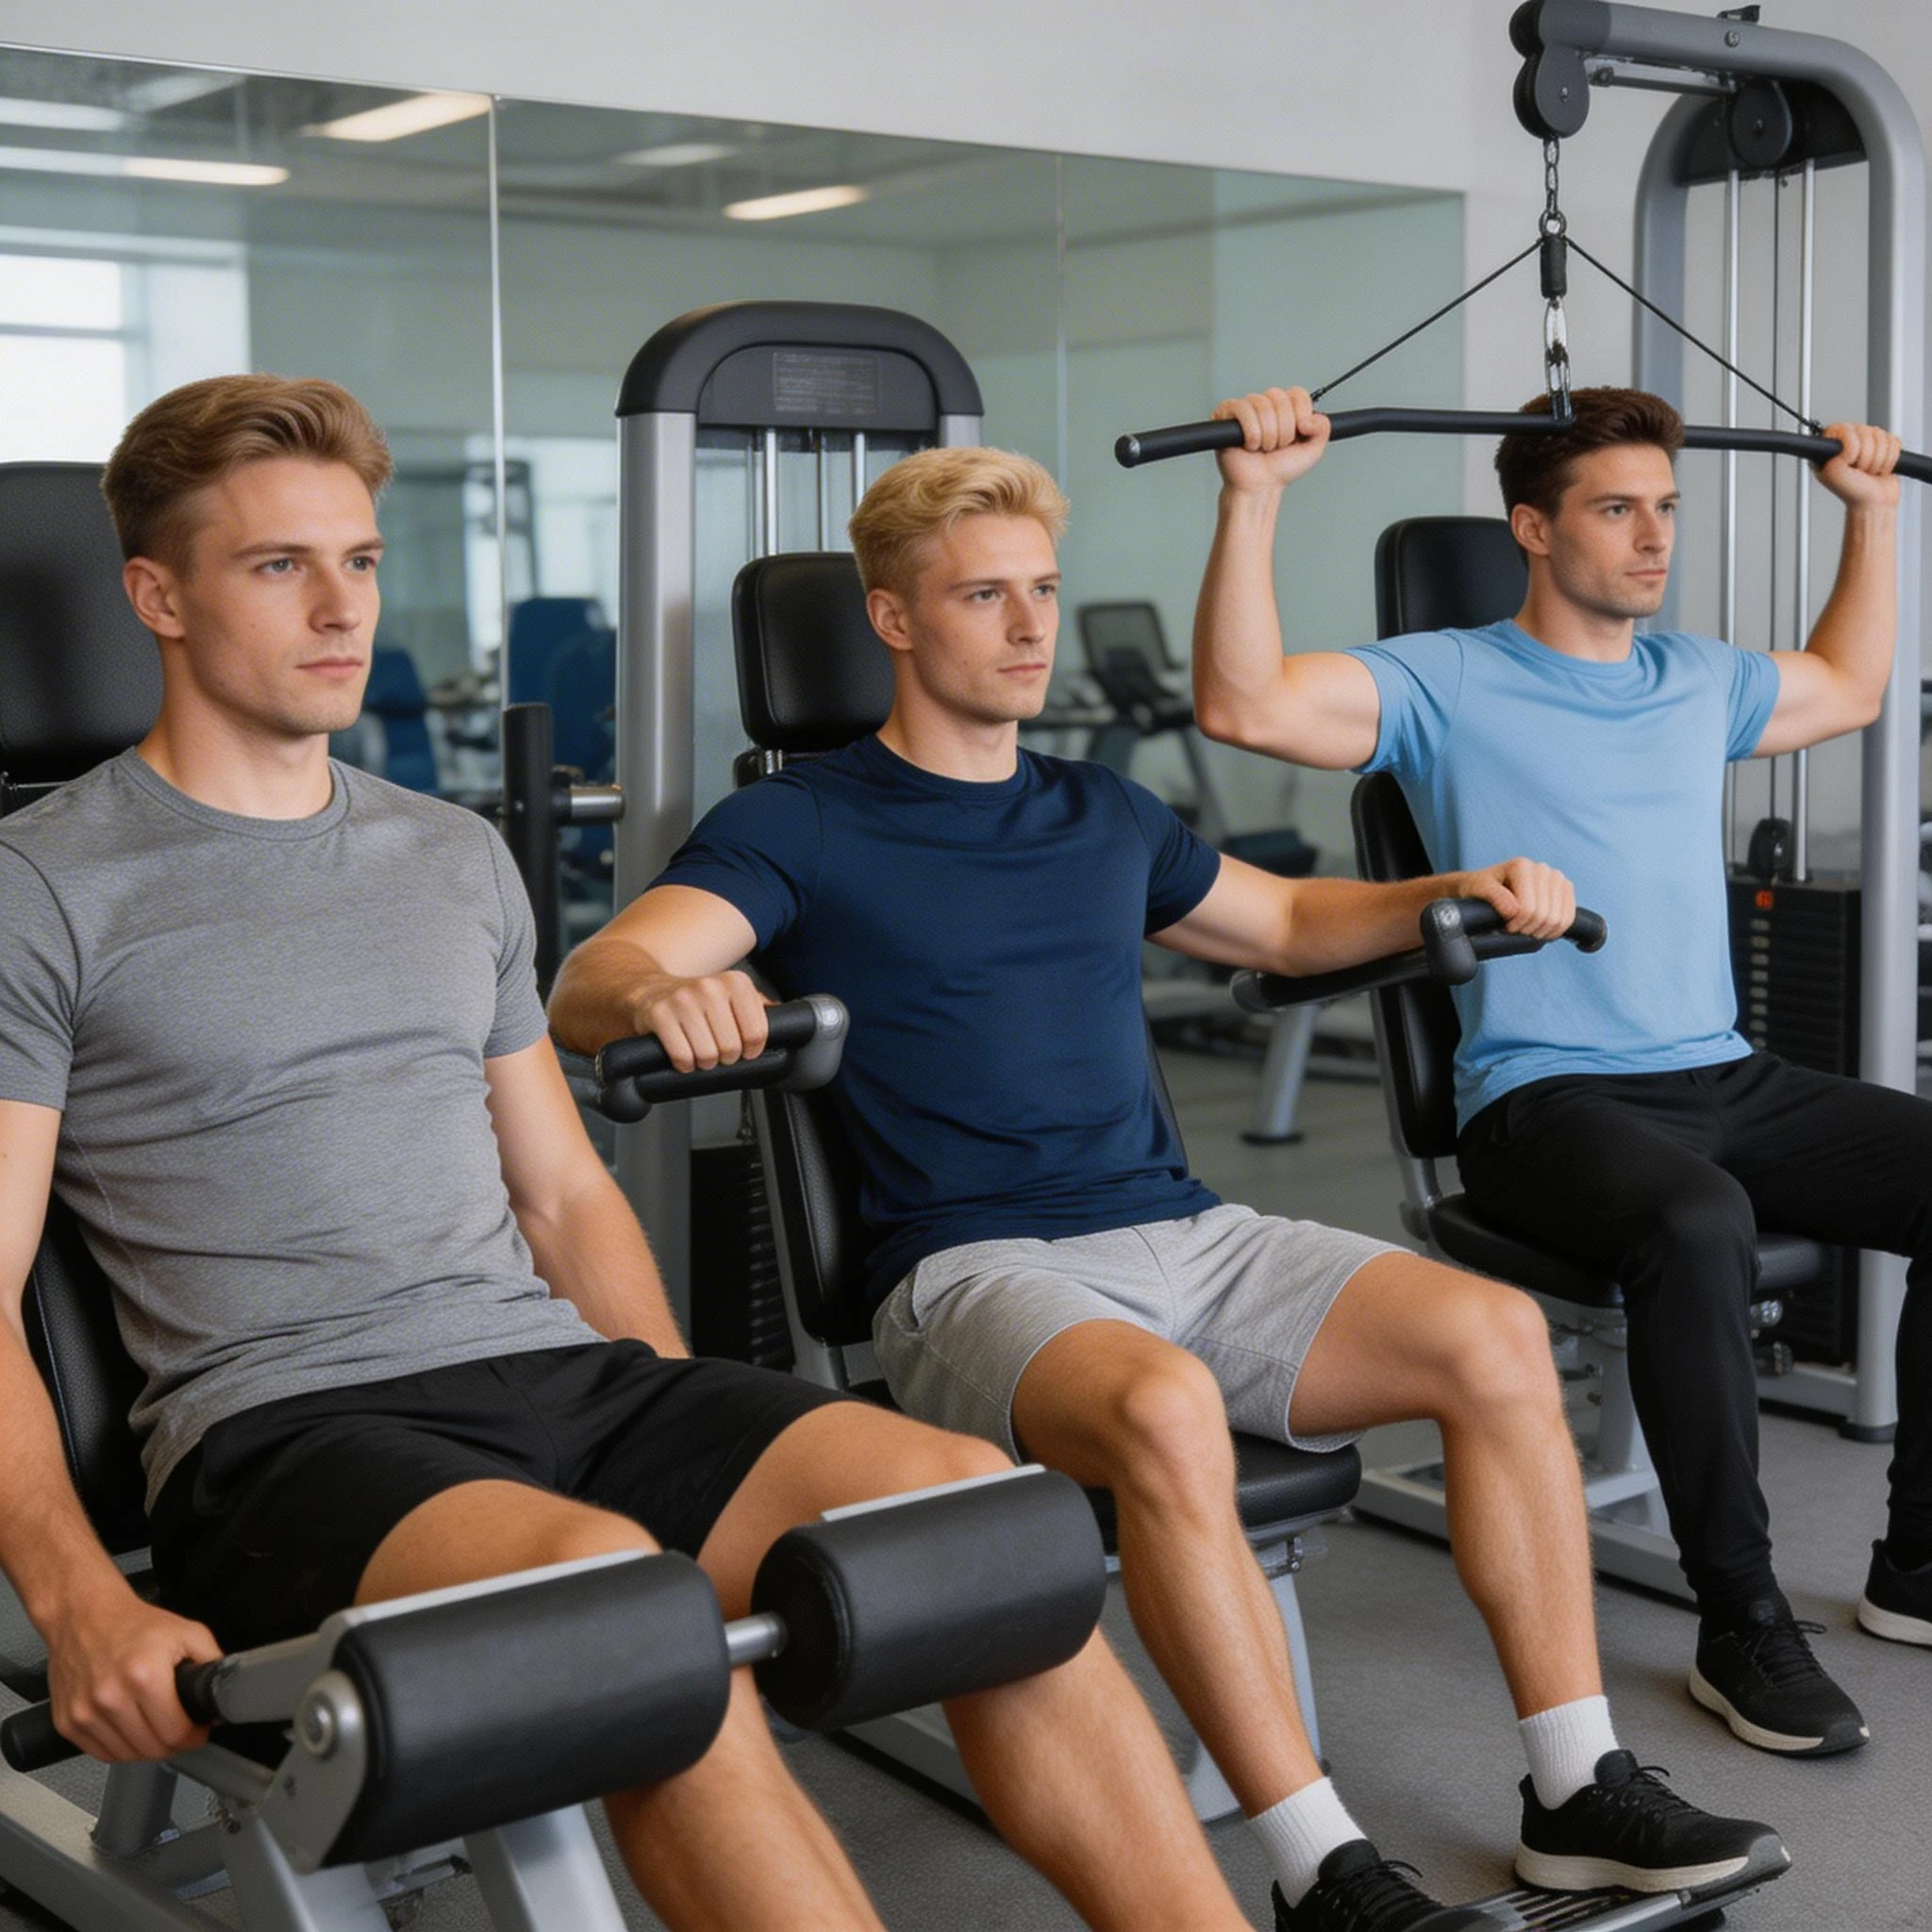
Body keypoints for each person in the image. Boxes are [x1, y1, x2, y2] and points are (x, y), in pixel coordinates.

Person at [0, 375, 1266, 1932]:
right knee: (624, 1609)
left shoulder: (451, 856)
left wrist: (683, 1415)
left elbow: (558, 1189)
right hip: (287, 1428)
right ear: (157, 595)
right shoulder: (49, 888)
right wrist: (77, 1602)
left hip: (560, 1375)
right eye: (279, 567)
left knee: (979, 1522)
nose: (341, 607)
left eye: (363, 561)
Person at [548, 441, 1787, 1932]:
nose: (1028, 629)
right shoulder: (798, 822)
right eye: (984, 597)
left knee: (1494, 1336)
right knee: (1164, 1407)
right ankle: (1321, 1866)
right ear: (891, 620)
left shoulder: (1101, 810)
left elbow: (1289, 922)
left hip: (1188, 1233)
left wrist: (1448, 893)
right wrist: (658, 996)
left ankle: (1575, 1790)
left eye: (1044, 594)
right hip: (973, 1273)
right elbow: (594, 977)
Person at [1187, 380, 1927, 1763]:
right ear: (1532, 526)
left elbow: (1855, 685)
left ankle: (1919, 1562)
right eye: (1614, 510)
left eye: (1664, 508)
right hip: (1547, 1100)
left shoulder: (1695, 679)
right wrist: (1253, 496)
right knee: (1697, 1222)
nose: (1653, 538)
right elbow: (1239, 704)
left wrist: (1872, 517)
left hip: (1722, 1074)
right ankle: (1739, 1620)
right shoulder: (1444, 677)